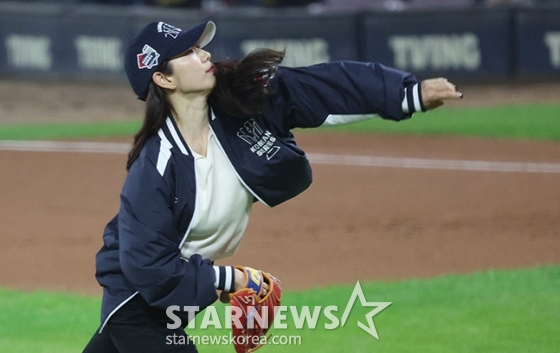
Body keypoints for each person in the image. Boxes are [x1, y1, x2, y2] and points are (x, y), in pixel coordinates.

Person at [82, 20, 462, 353]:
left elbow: (320, 87)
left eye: (200, 46)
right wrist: (233, 279)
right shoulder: (156, 165)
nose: (203, 54)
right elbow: (147, 266)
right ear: (163, 79)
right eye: (188, 52)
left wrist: (405, 94)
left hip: (169, 298)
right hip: (137, 303)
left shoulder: (241, 106)